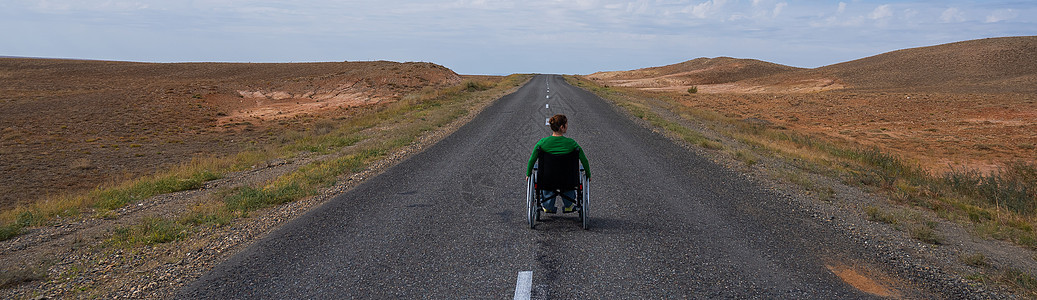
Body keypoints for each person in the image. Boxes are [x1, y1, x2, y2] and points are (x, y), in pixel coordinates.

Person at [526, 114, 591, 214]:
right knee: (568, 181)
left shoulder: (542, 143)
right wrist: (588, 174)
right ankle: (569, 205)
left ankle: (547, 206)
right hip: (568, 180)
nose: (567, 126)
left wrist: (528, 174)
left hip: (547, 180)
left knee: (547, 179)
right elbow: (584, 161)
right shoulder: (572, 143)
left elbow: (531, 161)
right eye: (566, 124)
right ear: (562, 127)